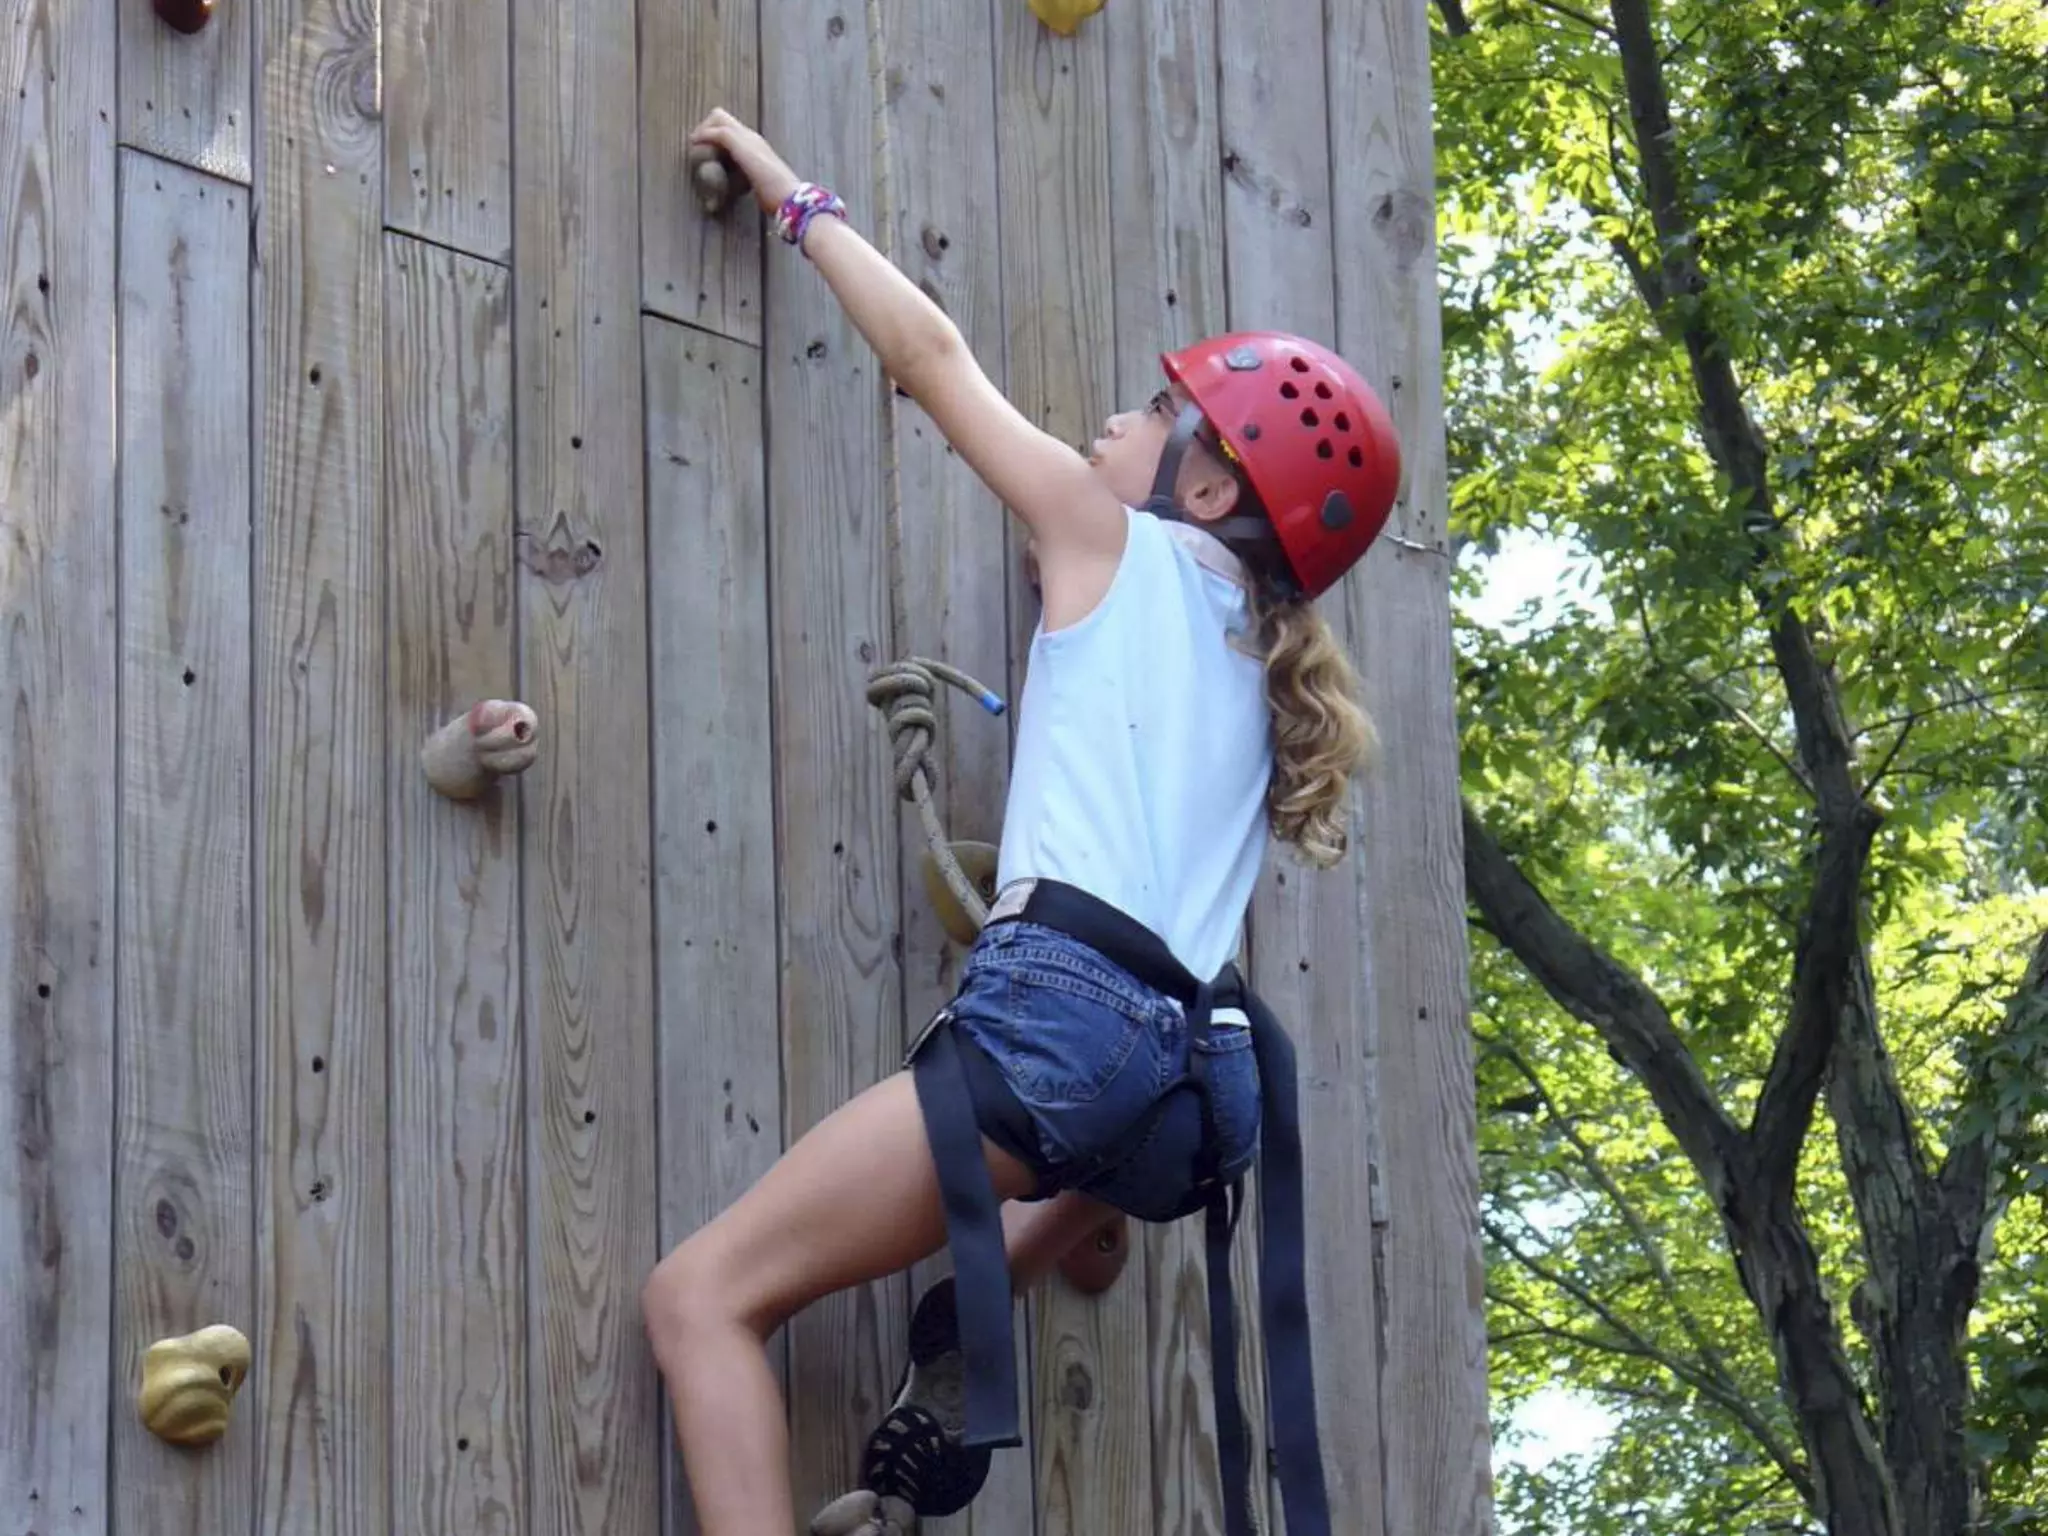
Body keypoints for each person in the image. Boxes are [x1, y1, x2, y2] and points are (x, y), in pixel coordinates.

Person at [643, 108, 1402, 1536]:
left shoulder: (1106, 537)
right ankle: (975, 1300)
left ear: (1211, 484)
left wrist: (796, 199)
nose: (1111, 421)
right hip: (1198, 1089)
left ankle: (977, 1282)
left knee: (699, 1297)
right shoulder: (1265, 666)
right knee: (1087, 1131)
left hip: (1066, 1026)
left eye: (1148, 413)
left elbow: (929, 360)